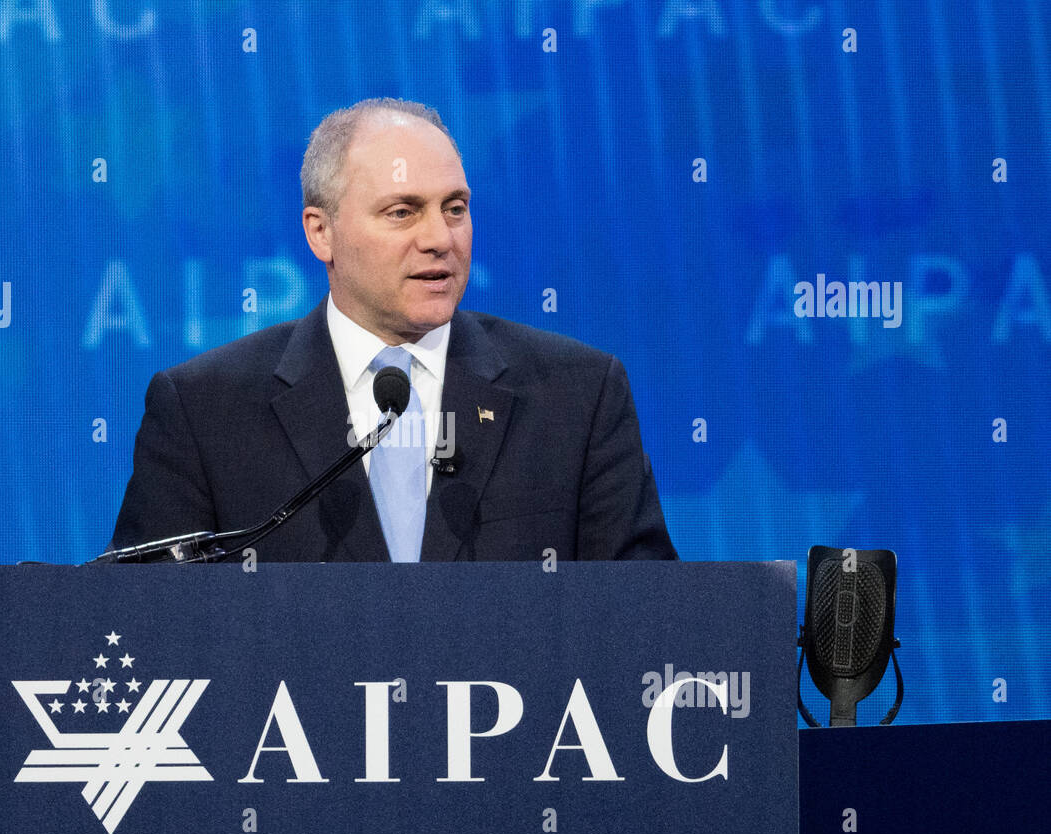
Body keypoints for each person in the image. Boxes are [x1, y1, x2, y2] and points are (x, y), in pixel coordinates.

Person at [108, 98, 677, 563]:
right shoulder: (204, 410)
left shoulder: (577, 395)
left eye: (454, 208)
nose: (440, 238)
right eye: (403, 212)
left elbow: (645, 618)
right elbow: (145, 627)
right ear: (321, 232)